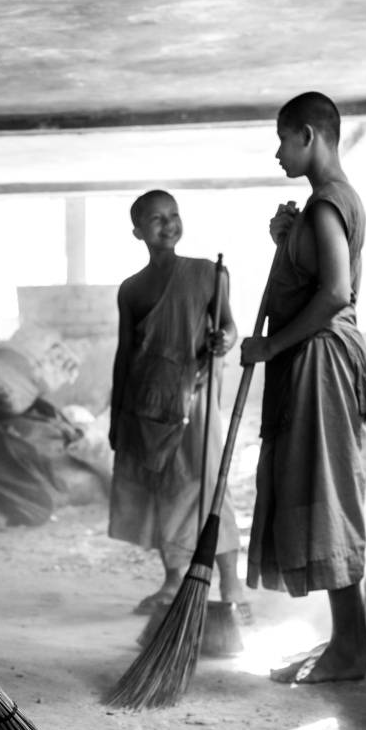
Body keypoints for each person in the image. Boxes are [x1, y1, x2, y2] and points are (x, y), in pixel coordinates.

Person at [240, 91, 366, 684]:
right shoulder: (323, 206)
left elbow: (335, 293)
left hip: (320, 363)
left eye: (282, 139)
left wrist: (271, 346)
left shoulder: (326, 206)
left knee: (328, 494)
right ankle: (347, 640)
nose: (278, 153)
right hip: (318, 363)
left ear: (308, 135)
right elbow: (311, 279)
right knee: (321, 492)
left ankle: (352, 647)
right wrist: (285, 242)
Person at [108, 190, 243, 613]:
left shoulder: (208, 273)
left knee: (208, 482)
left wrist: (224, 341)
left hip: (195, 398)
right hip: (147, 403)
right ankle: (172, 580)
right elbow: (124, 354)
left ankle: (231, 583)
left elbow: (229, 326)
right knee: (163, 487)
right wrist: (116, 416)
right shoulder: (131, 289)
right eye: (156, 219)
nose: (168, 225)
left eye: (173, 215)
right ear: (137, 232)